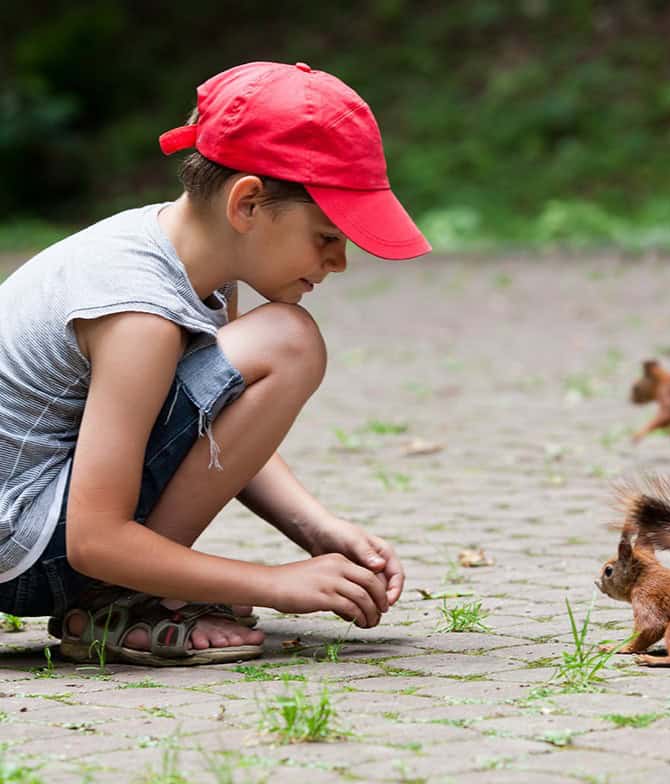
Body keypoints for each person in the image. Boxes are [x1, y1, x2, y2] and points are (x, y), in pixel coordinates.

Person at [0, 61, 431, 666]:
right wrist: (276, 583)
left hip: (47, 532)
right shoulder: (140, 313)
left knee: (281, 342)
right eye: (327, 235)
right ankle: (123, 601)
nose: (339, 262)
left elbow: (213, 424)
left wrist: (315, 529)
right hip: (31, 551)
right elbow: (94, 539)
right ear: (248, 203)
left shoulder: (194, 264)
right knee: (288, 341)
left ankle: (135, 591)